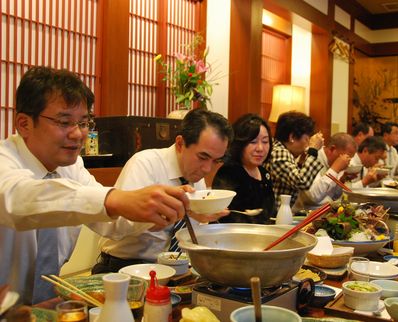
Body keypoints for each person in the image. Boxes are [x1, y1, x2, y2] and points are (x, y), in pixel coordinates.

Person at [0, 67, 190, 304]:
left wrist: (162, 207)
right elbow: (18, 200)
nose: (78, 134)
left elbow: (111, 223)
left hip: (47, 306)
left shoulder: (71, 166)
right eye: (64, 121)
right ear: (24, 123)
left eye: (83, 122)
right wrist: (115, 199)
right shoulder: (5, 162)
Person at [91, 108, 233, 274]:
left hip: (175, 269)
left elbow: (189, 234)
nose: (207, 168)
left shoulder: (196, 178)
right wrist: (164, 212)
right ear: (180, 144)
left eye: (216, 161)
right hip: (125, 268)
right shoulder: (145, 164)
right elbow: (116, 227)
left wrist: (205, 221)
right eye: (202, 157)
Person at [212, 114, 275, 224]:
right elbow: (226, 218)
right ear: (240, 143)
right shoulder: (229, 173)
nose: (260, 148)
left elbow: (270, 213)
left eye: (265, 142)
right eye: (253, 142)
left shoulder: (264, 173)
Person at [264, 111, 324, 209]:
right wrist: (313, 151)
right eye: (307, 139)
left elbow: (292, 177)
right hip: (274, 217)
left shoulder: (281, 150)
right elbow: (301, 182)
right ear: (292, 137)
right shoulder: (279, 152)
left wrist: (304, 159)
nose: (308, 144)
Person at [293, 133, 357, 211]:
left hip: (324, 211)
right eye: (347, 157)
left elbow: (333, 196)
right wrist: (334, 169)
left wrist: (342, 180)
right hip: (302, 213)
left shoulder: (333, 162)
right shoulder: (313, 156)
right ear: (333, 149)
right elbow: (313, 197)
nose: (348, 162)